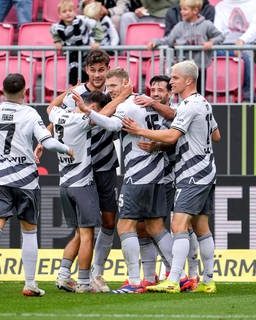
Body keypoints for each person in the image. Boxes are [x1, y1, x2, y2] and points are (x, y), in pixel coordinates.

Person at [36, 50, 132, 293]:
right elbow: (57, 118)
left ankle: (95, 273)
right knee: (85, 228)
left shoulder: (114, 91)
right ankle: (86, 278)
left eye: (102, 70)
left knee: (108, 221)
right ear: (87, 70)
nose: (98, 75)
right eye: (94, 70)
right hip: (82, 170)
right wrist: (43, 139)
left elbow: (53, 110)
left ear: (108, 68)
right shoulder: (77, 96)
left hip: (105, 164)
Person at [122, 60, 221, 293]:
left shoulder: (188, 106)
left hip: (192, 173)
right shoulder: (203, 103)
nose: (171, 81)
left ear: (188, 80)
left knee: (178, 226)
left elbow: (171, 137)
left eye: (174, 78)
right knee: (201, 227)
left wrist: (139, 131)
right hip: (207, 169)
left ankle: (174, 280)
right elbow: (216, 135)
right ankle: (208, 281)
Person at [73, 68, 174, 294]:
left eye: (114, 86)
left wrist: (86, 112)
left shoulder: (128, 105)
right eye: (108, 88)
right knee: (154, 227)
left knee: (124, 225)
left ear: (127, 84)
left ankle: (134, 281)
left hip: (138, 176)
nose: (110, 91)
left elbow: (111, 125)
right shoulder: (147, 104)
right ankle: (179, 276)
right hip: (157, 175)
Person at [0, 73, 73, 298]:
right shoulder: (29, 113)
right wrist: (66, 149)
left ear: (2, 91)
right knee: (29, 231)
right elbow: (46, 141)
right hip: (25, 180)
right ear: (24, 91)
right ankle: (30, 284)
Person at [134, 75, 199, 291]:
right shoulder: (146, 113)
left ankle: (190, 274)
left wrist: (157, 146)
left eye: (160, 90)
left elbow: (173, 144)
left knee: (180, 227)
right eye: (152, 89)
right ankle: (151, 276)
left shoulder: (178, 113)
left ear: (169, 94)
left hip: (172, 179)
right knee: (147, 227)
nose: (154, 93)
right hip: (152, 180)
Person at [49, 91, 111, 293]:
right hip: (82, 184)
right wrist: (123, 96)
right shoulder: (82, 119)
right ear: (93, 108)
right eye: (97, 111)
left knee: (78, 233)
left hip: (65, 184)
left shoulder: (59, 115)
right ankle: (84, 283)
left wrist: (66, 93)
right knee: (87, 236)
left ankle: (64, 277)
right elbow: (106, 114)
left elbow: (49, 107)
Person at [148, 0, 224, 94]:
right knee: (184, 93)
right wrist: (155, 41)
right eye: (181, 9)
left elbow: (220, 36)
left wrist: (211, 42)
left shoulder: (206, 24)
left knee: (199, 93)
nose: (181, 12)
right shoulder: (179, 26)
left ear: (195, 10)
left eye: (185, 9)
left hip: (200, 68)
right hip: (184, 69)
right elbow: (168, 40)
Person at [214, 0, 256, 100]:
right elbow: (218, 31)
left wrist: (242, 41)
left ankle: (249, 94)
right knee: (209, 54)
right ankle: (213, 92)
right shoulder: (220, 6)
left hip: (250, 44)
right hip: (225, 46)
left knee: (246, 52)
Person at [51, 0, 104, 85]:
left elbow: (96, 26)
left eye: (70, 11)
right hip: (72, 53)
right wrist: (57, 41)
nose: (68, 13)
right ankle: (77, 89)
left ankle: (88, 87)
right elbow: (54, 33)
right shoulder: (57, 27)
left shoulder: (82, 20)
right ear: (59, 15)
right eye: (64, 11)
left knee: (89, 70)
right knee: (74, 71)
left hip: (86, 51)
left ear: (74, 12)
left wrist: (97, 41)